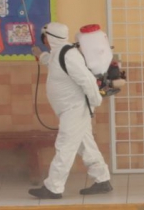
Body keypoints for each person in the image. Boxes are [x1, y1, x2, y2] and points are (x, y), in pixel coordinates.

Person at [28, 22, 112, 199]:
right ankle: (102, 180)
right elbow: (51, 62)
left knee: (65, 145)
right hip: (70, 110)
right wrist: (39, 54)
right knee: (86, 146)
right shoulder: (59, 53)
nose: (45, 42)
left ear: (50, 38)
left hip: (74, 109)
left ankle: (53, 187)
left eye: (45, 39)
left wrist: (95, 100)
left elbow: (87, 80)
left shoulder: (68, 54)